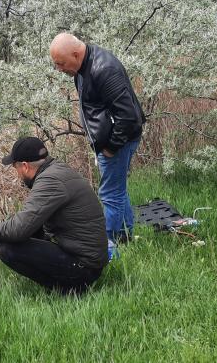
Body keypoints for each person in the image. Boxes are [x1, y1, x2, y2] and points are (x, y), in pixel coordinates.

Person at [0, 137, 108, 295]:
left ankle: (68, 289)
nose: (17, 174)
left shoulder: (50, 181)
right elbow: (30, 226)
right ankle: (66, 286)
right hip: (88, 261)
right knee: (19, 235)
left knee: (8, 249)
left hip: (84, 268)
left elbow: (19, 228)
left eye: (15, 168)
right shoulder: (57, 170)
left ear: (25, 166)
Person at [49, 32, 145, 243]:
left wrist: (111, 147)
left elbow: (128, 117)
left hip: (119, 141)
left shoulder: (104, 69)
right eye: (56, 64)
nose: (59, 69)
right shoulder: (81, 68)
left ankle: (108, 246)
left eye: (61, 63)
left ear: (75, 54)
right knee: (117, 189)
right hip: (108, 141)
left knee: (110, 194)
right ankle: (125, 237)